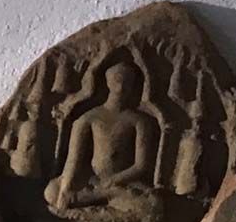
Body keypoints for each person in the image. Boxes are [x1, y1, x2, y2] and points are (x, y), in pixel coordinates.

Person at [44, 62, 157, 211]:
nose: (122, 85)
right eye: (118, 79)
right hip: (92, 180)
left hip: (122, 182)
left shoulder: (139, 121)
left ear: (133, 86)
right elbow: (73, 161)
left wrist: (114, 180)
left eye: (128, 81)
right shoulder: (89, 118)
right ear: (108, 82)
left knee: (152, 205)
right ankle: (103, 198)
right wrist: (64, 191)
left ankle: (104, 198)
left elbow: (141, 166)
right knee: (52, 192)